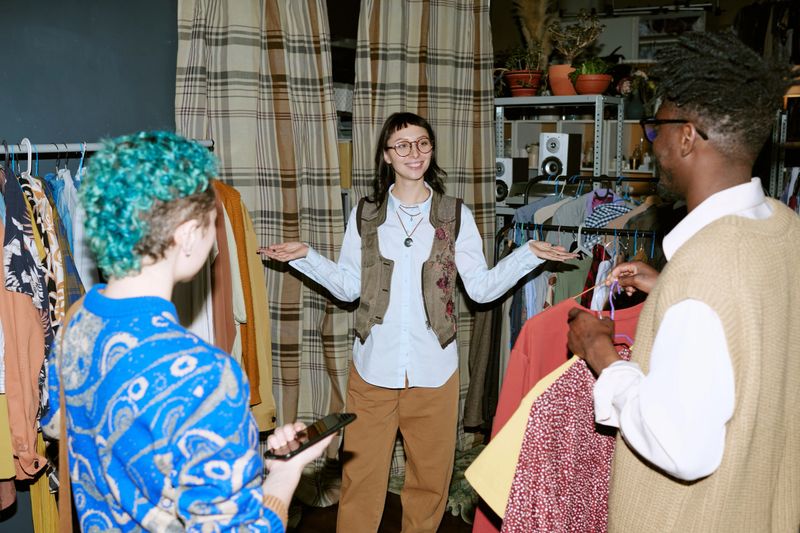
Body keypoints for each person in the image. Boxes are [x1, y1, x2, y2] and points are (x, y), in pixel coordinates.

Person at [260, 112, 576, 532]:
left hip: (435, 372)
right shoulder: (366, 214)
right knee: (361, 480)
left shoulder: (455, 215)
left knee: (429, 484)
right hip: (372, 372)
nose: (415, 153)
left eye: (422, 143)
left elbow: (480, 289)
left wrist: (528, 254)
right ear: (387, 155)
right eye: (403, 145)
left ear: (431, 150)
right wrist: (307, 257)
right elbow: (347, 288)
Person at [41, 131, 333, 531]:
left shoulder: (76, 320)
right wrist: (284, 476)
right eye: (212, 220)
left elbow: (61, 429)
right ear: (188, 234)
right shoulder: (206, 374)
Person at [566, 31, 799, 532]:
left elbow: (682, 447)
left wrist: (602, 357)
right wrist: (670, 289)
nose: (653, 145)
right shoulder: (782, 228)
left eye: (656, 130)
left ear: (687, 136)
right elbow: (752, 334)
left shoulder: (705, 271)